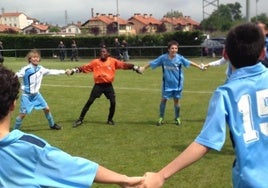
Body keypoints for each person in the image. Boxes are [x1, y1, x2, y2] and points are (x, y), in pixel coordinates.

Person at [141, 23, 268, 188]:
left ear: (225, 54)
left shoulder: (225, 94)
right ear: (263, 53)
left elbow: (206, 141)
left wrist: (161, 175)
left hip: (251, 181)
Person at [0, 65, 144, 187]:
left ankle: (52, 123)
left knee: (46, 109)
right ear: (13, 105)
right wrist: (124, 179)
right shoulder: (30, 149)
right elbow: (75, 167)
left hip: (37, 95)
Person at [66, 47, 143, 127]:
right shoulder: (95, 62)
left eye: (104, 52)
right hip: (98, 85)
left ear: (108, 53)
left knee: (113, 102)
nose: (102, 53)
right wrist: (73, 71)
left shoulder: (113, 61)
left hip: (108, 86)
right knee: (89, 102)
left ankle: (110, 120)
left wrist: (135, 68)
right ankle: (80, 119)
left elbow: (124, 65)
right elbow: (84, 68)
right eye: (101, 52)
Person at [139, 40, 205, 126]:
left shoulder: (180, 58)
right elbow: (152, 63)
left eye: (176, 48)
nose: (174, 50)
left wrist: (199, 67)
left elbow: (189, 62)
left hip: (177, 84)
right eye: (172, 48)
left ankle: (177, 117)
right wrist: (143, 68)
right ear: (168, 49)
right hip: (167, 84)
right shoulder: (163, 58)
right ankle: (161, 117)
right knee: (164, 100)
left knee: (176, 101)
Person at [14, 49, 66, 130]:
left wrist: (65, 71)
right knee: (22, 115)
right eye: (33, 57)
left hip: (36, 95)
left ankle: (52, 125)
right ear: (30, 59)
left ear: (39, 59)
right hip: (26, 96)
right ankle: (15, 131)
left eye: (37, 57)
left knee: (47, 109)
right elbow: (17, 75)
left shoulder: (40, 69)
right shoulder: (26, 69)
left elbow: (52, 71)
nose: (35, 59)